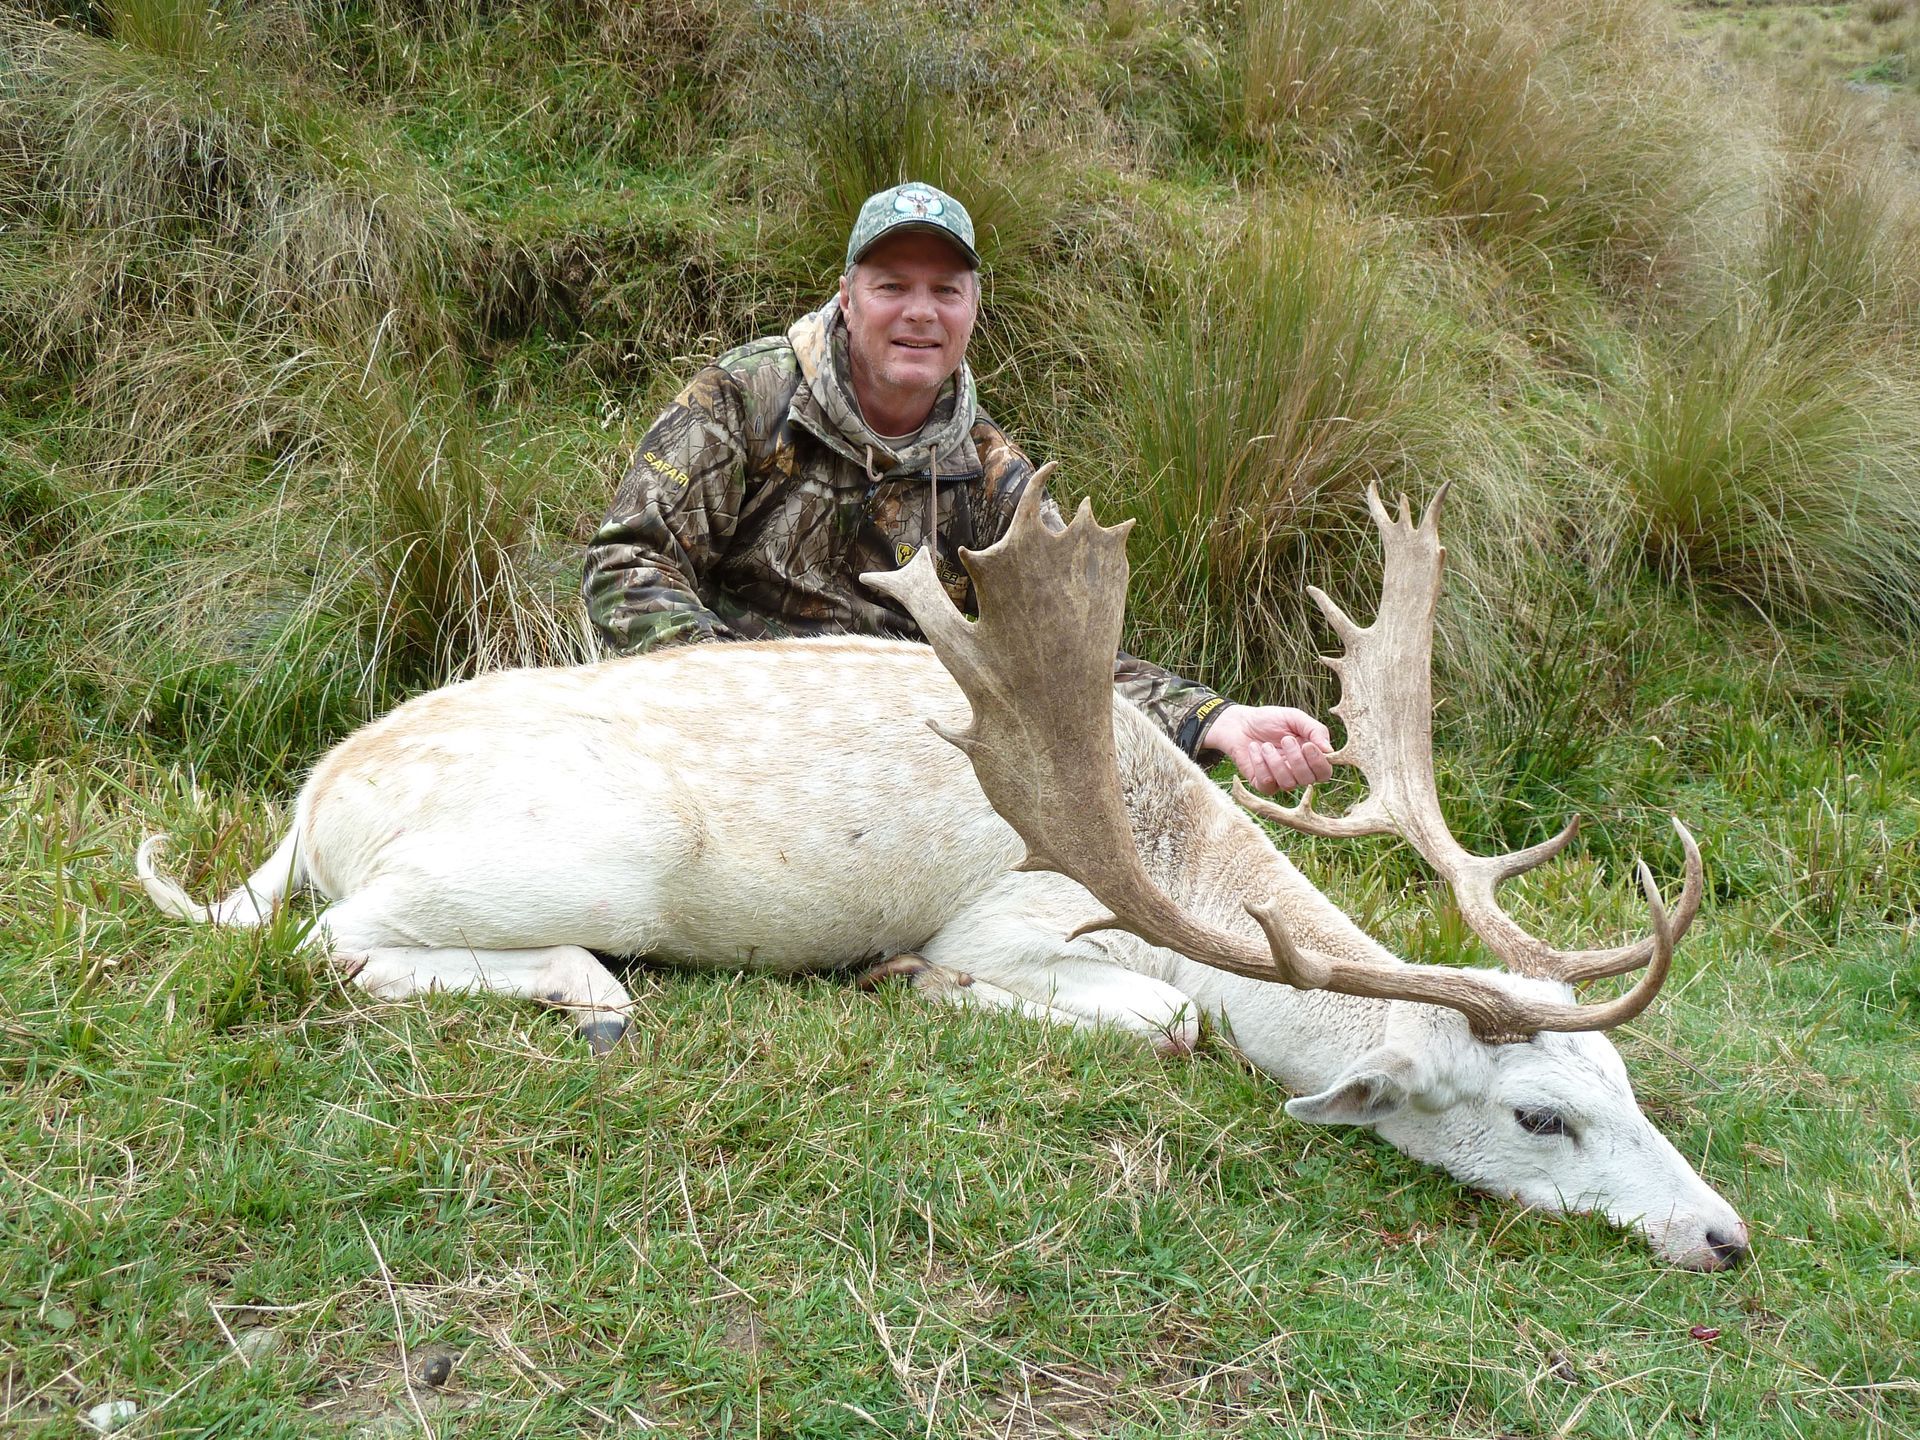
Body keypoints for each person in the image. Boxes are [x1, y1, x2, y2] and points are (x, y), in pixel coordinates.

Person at [582, 182, 1333, 794]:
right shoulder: (744, 398)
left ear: (974, 309)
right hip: (718, 733)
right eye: (891, 286)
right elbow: (627, 563)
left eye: (946, 289)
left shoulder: (995, 474)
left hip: (887, 767)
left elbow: (1066, 659)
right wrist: (733, 692)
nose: (919, 312)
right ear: (847, 298)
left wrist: (1214, 719)